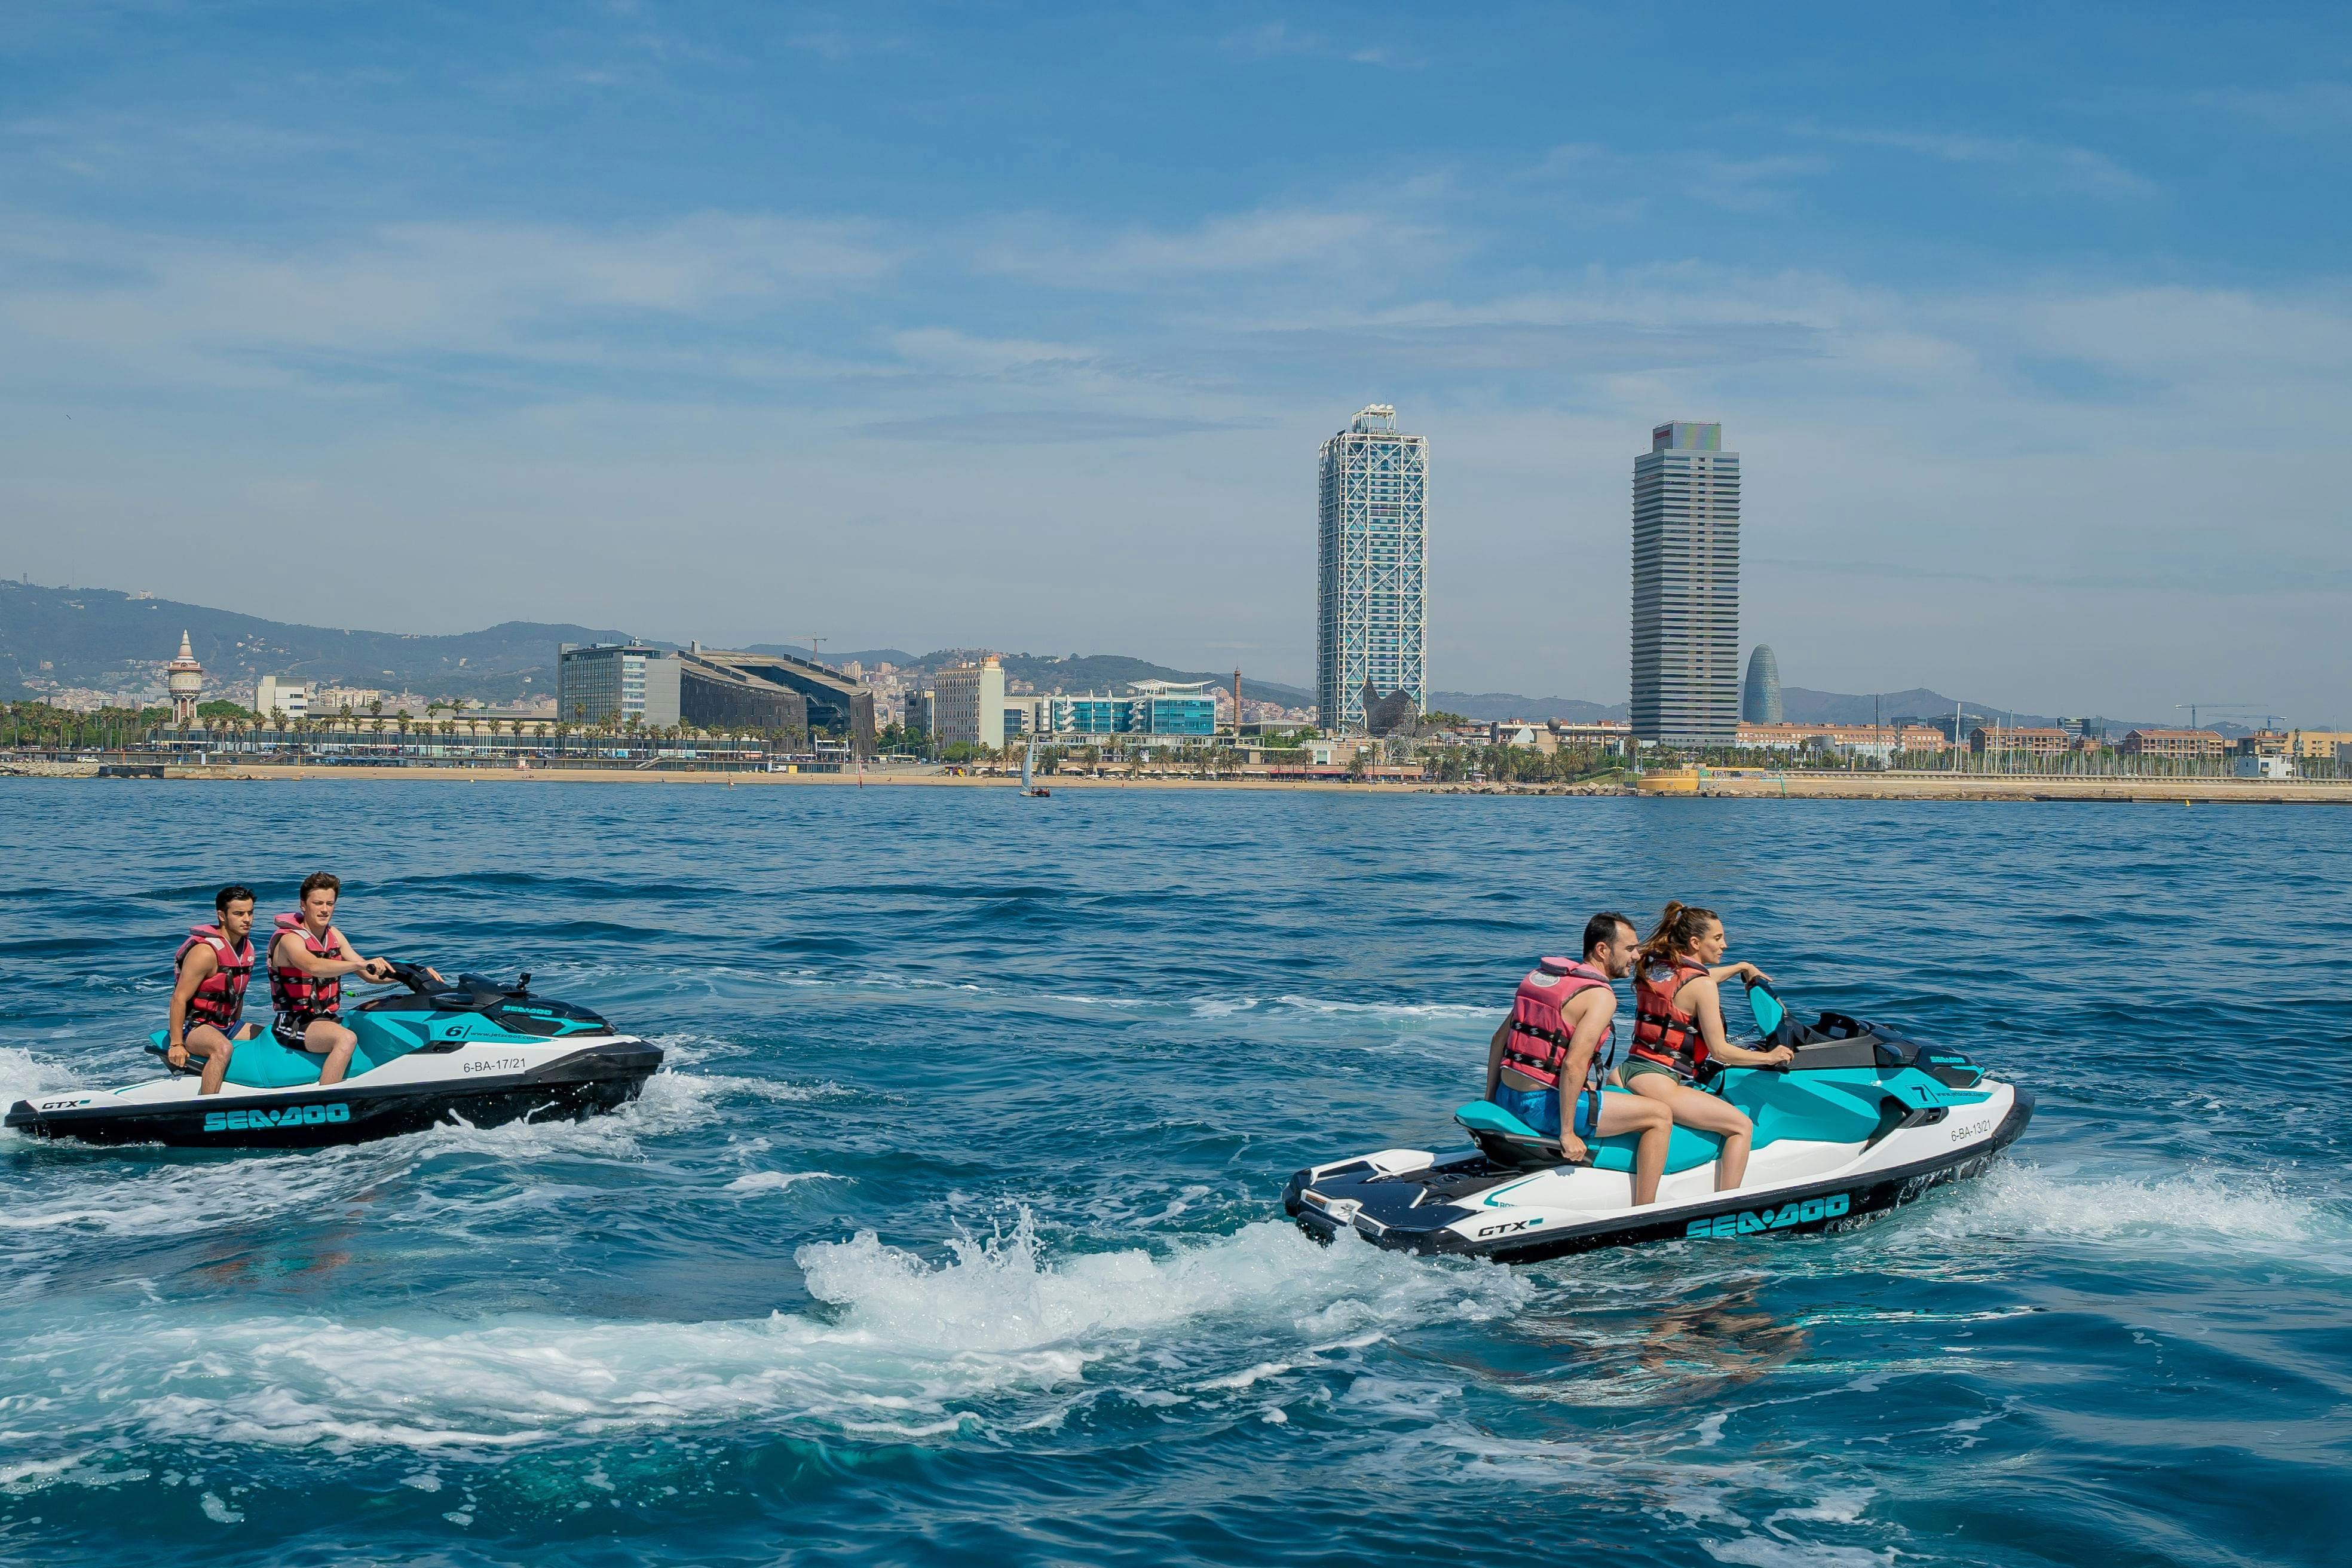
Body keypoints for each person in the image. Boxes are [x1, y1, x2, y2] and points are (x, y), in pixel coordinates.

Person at [1483, 911, 1676, 1206]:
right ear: (1602, 950)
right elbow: (1573, 1064)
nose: (1637, 956)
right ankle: (1645, 1210)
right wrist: (1568, 1133)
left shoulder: (1542, 980)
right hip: (1539, 1108)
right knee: (1660, 1115)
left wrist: (1491, 1100)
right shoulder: (1601, 996)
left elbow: (1499, 1040)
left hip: (1507, 1097)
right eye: (1629, 948)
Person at [1618, 902, 1793, 1191]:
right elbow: (1722, 1051)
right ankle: (1728, 1203)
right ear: (1696, 942)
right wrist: (1770, 1056)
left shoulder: (1657, 969)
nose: (1725, 944)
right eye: (1718, 938)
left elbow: (1696, 979)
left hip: (1628, 1070)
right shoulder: (1702, 987)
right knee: (1741, 1127)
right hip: (1660, 1082)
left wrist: (1742, 967)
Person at [267, 872, 397, 1086]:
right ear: (303, 905)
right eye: (318, 903)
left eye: (330, 903)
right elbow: (313, 966)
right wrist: (358, 964)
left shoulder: (334, 935)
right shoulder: (290, 940)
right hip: (294, 1023)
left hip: (325, 1019)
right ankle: (327, 1101)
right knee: (345, 1039)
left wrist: (410, 975)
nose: (325, 909)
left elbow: (368, 975)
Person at [166, 884, 265, 1095]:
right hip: (196, 1028)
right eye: (239, 914)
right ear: (222, 915)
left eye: (250, 913)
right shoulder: (206, 952)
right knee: (223, 1048)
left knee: (270, 1038)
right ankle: (206, 1106)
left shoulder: (246, 948)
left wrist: (236, 1023)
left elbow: (238, 995)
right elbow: (178, 999)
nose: (247, 919)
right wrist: (176, 1044)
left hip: (229, 1025)